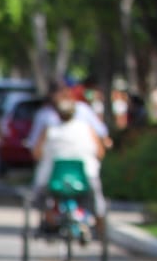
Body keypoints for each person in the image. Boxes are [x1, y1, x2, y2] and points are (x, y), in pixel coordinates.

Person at [29, 81, 108, 231]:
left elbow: (36, 152)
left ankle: (50, 218)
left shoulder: (50, 130)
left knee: (39, 193)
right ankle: (99, 225)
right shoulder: (87, 129)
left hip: (54, 178)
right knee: (96, 197)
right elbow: (100, 152)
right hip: (85, 177)